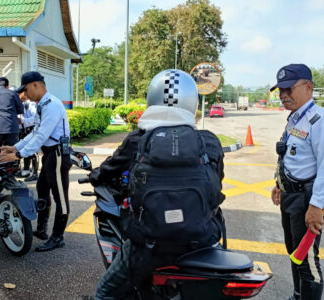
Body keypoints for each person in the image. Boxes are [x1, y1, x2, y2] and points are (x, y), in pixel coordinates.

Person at [90, 69, 225, 299]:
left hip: (149, 247)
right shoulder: (207, 141)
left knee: (104, 293)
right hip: (201, 241)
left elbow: (110, 167)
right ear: (191, 102)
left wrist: (94, 176)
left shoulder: (138, 138)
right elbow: (216, 184)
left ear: (152, 98)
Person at [270, 64, 324, 300]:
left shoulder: (322, 121)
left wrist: (316, 206)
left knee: (307, 259)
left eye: (288, 89)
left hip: (307, 200)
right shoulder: (295, 119)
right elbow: (291, 156)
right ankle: (298, 295)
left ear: (308, 87)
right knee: (294, 253)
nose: (283, 95)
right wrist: (279, 183)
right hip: (291, 197)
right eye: (280, 90)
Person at [0, 71, 72, 252]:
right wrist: (15, 148)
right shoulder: (43, 105)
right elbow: (34, 133)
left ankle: (58, 237)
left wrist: (19, 155)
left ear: (35, 85)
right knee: (42, 190)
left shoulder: (52, 105)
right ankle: (41, 229)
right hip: (49, 155)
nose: (25, 95)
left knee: (60, 198)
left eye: (25, 90)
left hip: (57, 155)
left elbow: (41, 135)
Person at [0, 77, 24, 160]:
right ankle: (11, 171)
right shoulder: (12, 93)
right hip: (11, 127)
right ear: (7, 86)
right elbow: (21, 109)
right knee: (11, 152)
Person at [18, 90, 39, 182]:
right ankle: (26, 170)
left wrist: (23, 121)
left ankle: (35, 173)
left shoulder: (31, 104)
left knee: (33, 151)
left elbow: (35, 118)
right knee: (25, 149)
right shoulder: (22, 104)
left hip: (31, 129)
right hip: (24, 130)